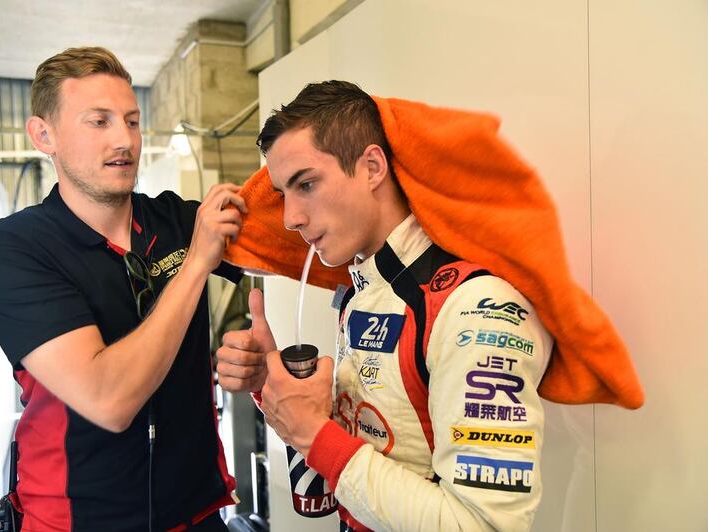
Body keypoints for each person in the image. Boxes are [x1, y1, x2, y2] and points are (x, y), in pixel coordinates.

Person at [217, 81, 554, 531]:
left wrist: (311, 433)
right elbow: (357, 451)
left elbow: (485, 525)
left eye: (307, 184)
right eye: (284, 193)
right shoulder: (361, 291)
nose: (290, 218)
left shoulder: (476, 308)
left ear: (372, 167)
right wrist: (276, 388)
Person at [0, 47, 246, 532]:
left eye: (132, 121)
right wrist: (196, 266)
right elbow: (109, 400)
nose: (125, 140)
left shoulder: (177, 220)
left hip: (198, 513)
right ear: (44, 135)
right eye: (98, 122)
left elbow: (305, 240)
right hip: (77, 518)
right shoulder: (14, 248)